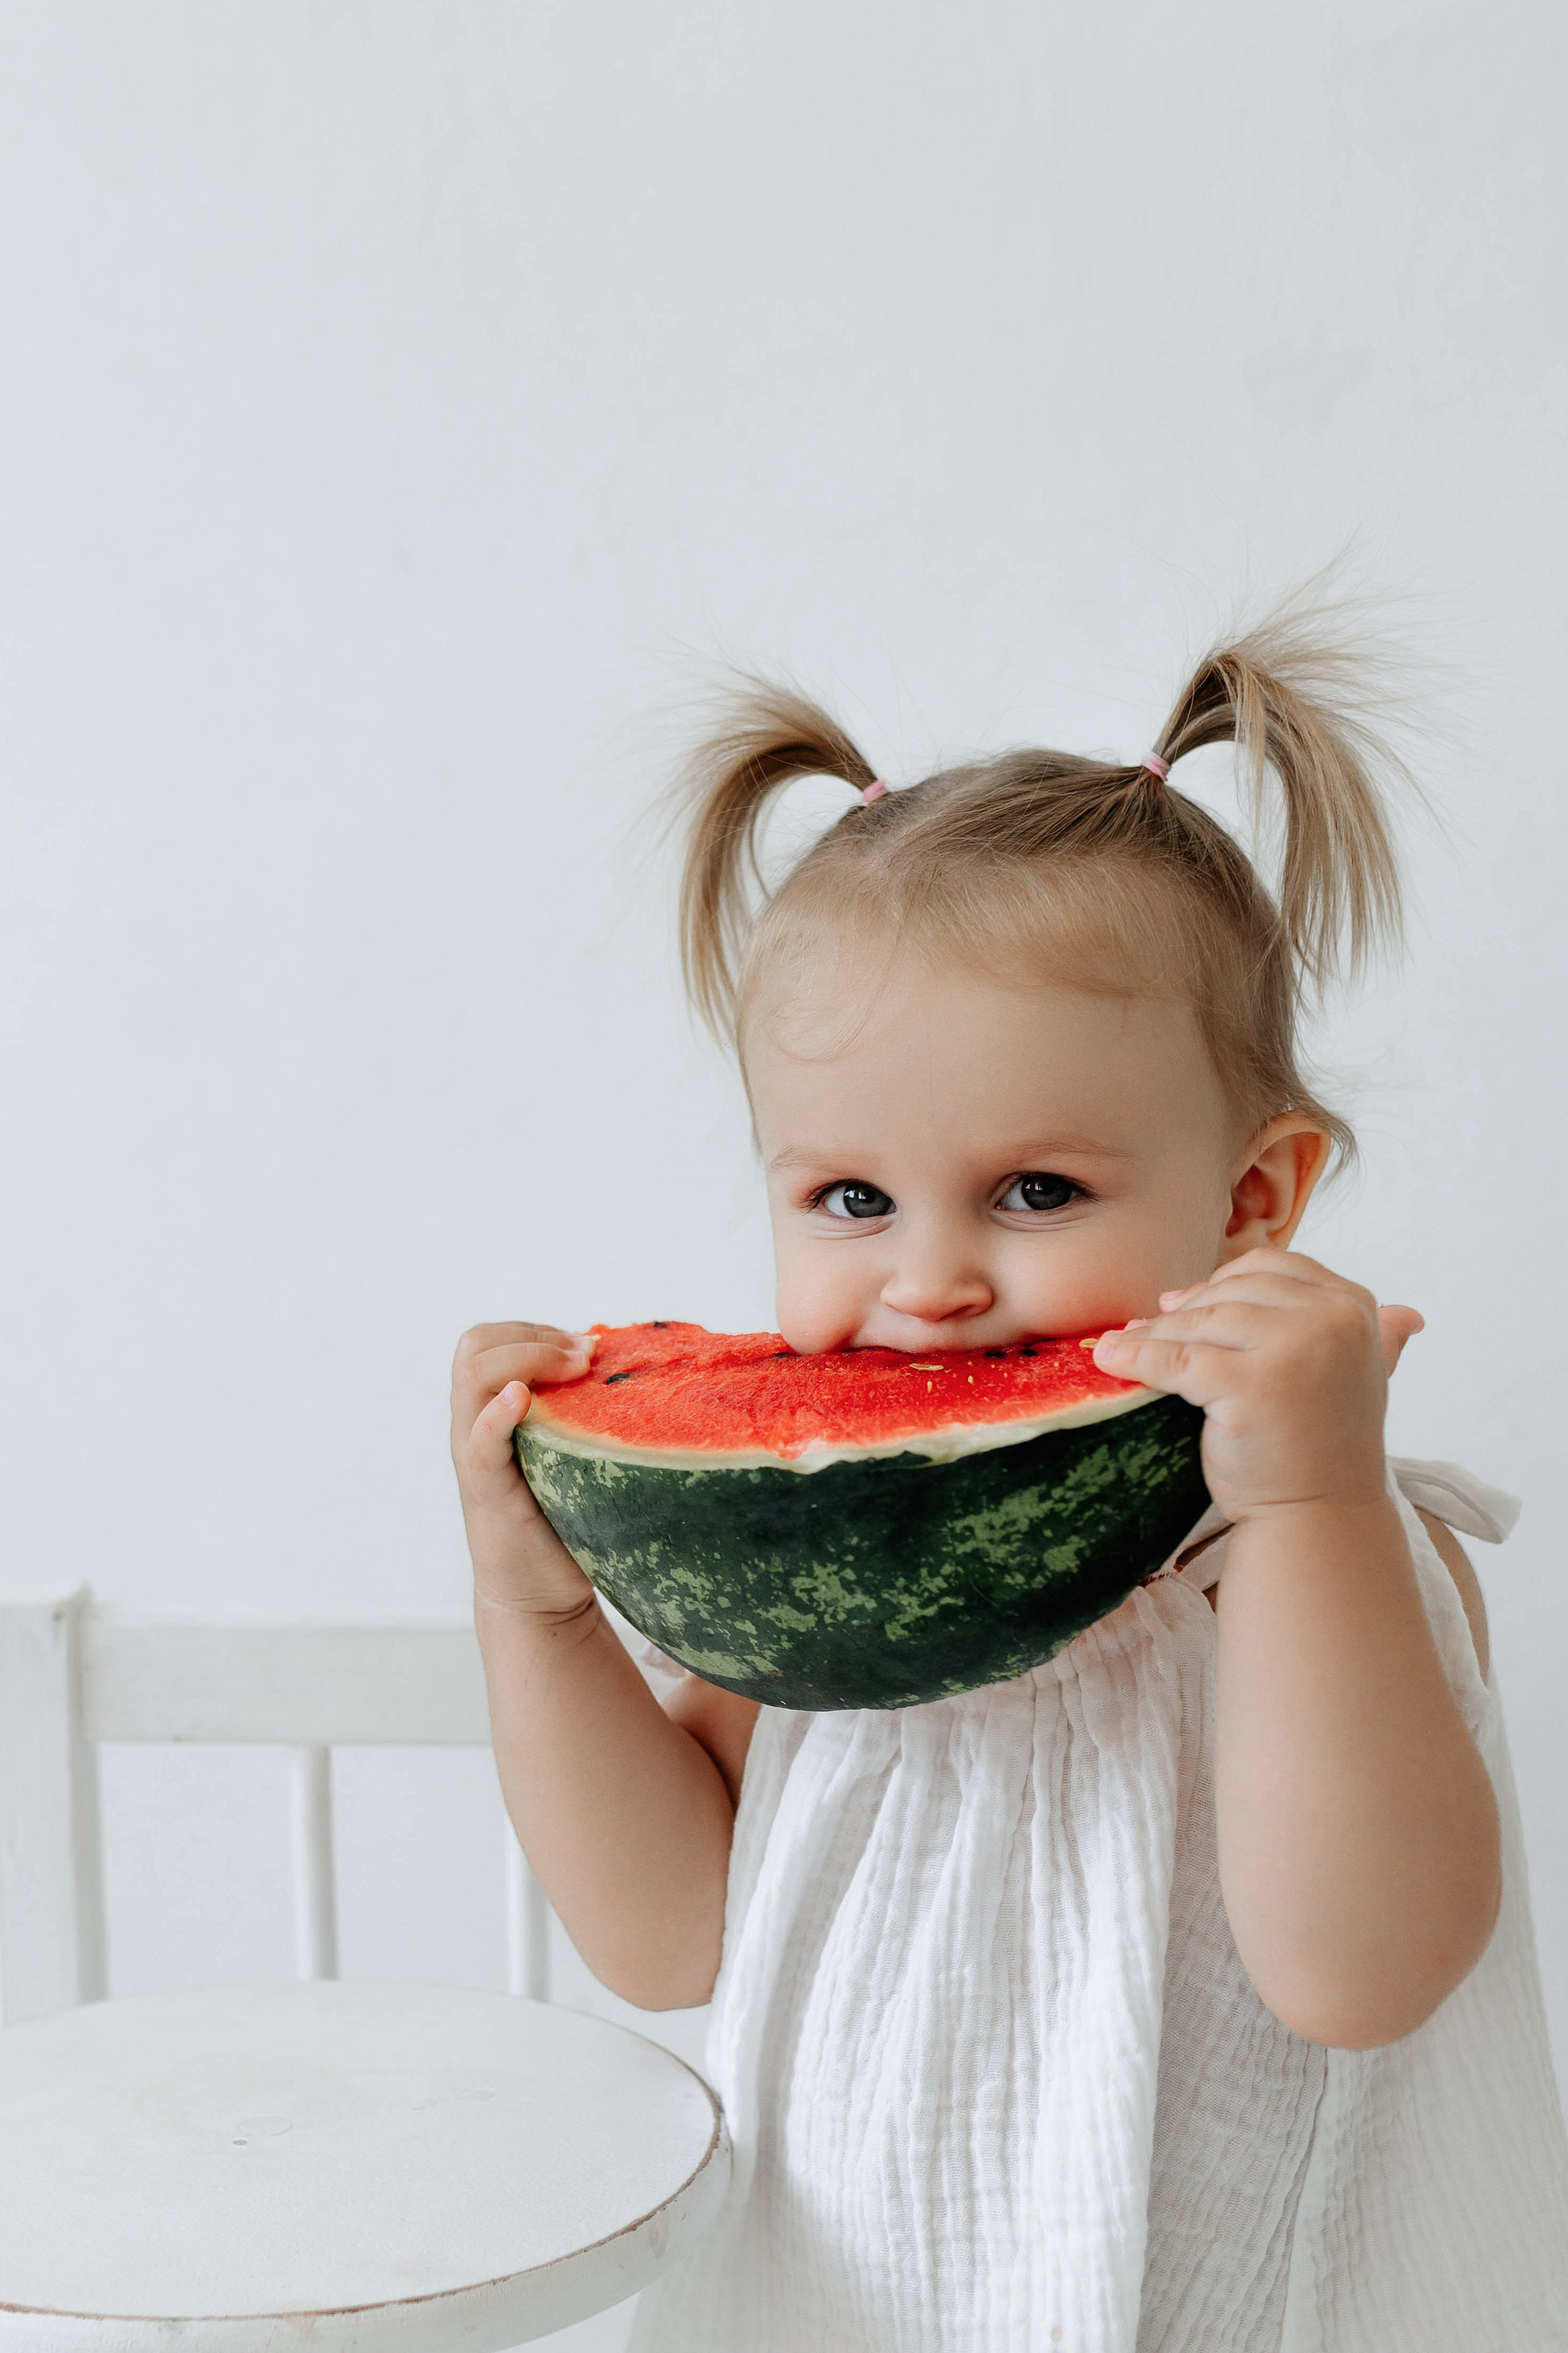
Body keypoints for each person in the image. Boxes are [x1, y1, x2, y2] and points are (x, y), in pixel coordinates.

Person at [450, 608, 1568, 2351]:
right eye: (848, 1198)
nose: (930, 1278)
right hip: (851, 2305)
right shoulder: (852, 1579)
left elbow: (1362, 1972)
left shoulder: (1345, 1549)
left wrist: (1319, 1504)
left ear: (1257, 1201)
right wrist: (536, 1613)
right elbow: (669, 1932)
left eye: (1036, 1190)